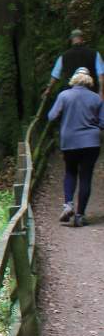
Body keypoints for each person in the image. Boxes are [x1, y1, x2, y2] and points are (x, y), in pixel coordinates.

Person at [47, 68, 104, 227]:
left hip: (70, 142)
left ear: (73, 80)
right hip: (91, 143)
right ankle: (80, 216)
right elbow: (103, 122)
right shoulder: (96, 99)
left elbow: (51, 116)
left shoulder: (64, 95)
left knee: (70, 171)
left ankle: (68, 204)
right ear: (89, 81)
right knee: (86, 176)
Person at [51, 28, 104, 98]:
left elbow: (55, 75)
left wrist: (48, 89)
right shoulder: (94, 54)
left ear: (72, 40)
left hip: (70, 95)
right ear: (82, 39)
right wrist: (101, 92)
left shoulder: (63, 56)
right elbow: (101, 75)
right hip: (90, 94)